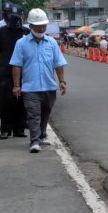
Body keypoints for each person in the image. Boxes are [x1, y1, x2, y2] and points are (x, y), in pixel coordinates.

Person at [10, 9, 67, 153]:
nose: (41, 28)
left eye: (43, 25)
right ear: (30, 26)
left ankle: (42, 134)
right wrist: (16, 85)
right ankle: (34, 141)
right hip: (30, 87)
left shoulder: (52, 43)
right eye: (38, 26)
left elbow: (58, 63)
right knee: (33, 115)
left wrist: (62, 81)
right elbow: (17, 65)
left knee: (45, 113)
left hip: (49, 87)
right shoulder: (21, 43)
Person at [0, 3, 28, 139]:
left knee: (21, 102)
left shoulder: (26, 33)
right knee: (4, 102)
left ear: (21, 17)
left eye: (17, 18)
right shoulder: (1, 32)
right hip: (4, 72)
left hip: (23, 73)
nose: (15, 20)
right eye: (12, 17)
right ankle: (5, 129)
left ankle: (20, 128)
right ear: (8, 17)